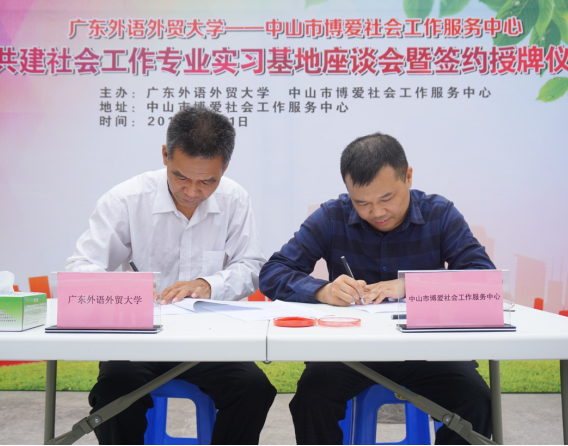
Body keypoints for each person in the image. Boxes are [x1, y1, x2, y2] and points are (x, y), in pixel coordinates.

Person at [259, 133, 494, 445]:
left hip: (426, 350)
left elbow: (483, 278)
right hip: (349, 352)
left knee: (476, 402)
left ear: (408, 176)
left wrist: (411, 285)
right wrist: (322, 291)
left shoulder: (439, 214)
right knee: (311, 401)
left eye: (387, 199)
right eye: (362, 203)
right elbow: (273, 272)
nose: (377, 212)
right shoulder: (332, 217)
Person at [66, 106, 276, 445]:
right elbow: (80, 268)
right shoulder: (127, 199)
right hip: (138, 341)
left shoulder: (235, 199)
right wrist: (127, 289)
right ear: (165, 155)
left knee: (254, 389)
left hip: (208, 340)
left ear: (224, 167)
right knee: (114, 393)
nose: (192, 191)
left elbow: (252, 266)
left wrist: (208, 285)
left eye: (207, 181)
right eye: (181, 177)